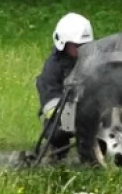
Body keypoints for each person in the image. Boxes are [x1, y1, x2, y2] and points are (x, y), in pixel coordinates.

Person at [35, 12, 94, 159]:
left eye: (84, 45)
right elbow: (50, 99)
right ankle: (55, 155)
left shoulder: (94, 59)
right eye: (76, 46)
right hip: (62, 114)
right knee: (56, 135)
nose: (81, 49)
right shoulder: (52, 68)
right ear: (63, 43)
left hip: (91, 109)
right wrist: (67, 114)